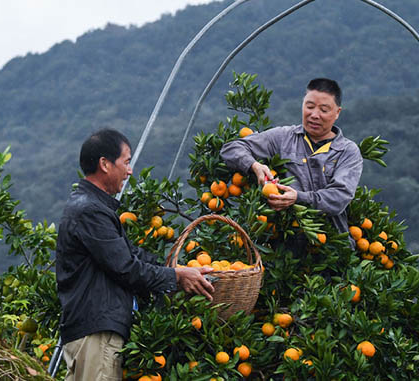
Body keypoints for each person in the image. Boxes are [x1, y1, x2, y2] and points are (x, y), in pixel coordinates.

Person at [56, 128, 214, 381]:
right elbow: (126, 267)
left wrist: (174, 266)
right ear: (105, 164)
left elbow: (130, 255)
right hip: (97, 332)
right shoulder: (90, 211)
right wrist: (176, 276)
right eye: (126, 162)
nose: (130, 170)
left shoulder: (92, 206)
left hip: (94, 329)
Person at [220, 78, 363, 239]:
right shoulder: (283, 138)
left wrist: (298, 197)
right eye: (309, 107)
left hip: (332, 246)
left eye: (324, 110)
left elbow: (338, 198)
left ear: (337, 112)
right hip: (284, 249)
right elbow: (231, 149)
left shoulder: (347, 152)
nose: (314, 115)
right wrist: (253, 165)